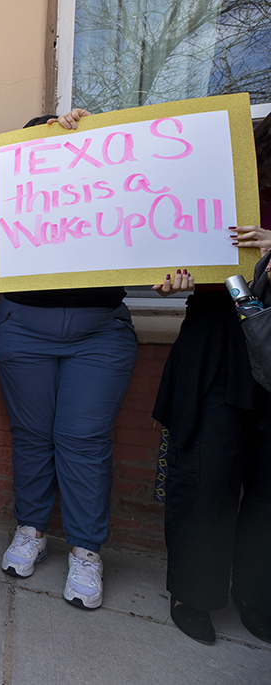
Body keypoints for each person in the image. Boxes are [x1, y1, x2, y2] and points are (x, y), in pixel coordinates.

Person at [0, 108, 137, 610]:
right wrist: (42, 139)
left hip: (99, 333)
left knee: (84, 440)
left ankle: (86, 551)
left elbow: (149, 216)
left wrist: (178, 268)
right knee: (32, 437)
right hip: (23, 328)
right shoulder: (6, 178)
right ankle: (31, 528)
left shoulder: (106, 179)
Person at [151, 112, 271, 644]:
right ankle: (195, 593)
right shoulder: (224, 165)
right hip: (220, 343)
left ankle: (258, 594)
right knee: (206, 475)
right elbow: (171, 245)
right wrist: (170, 275)